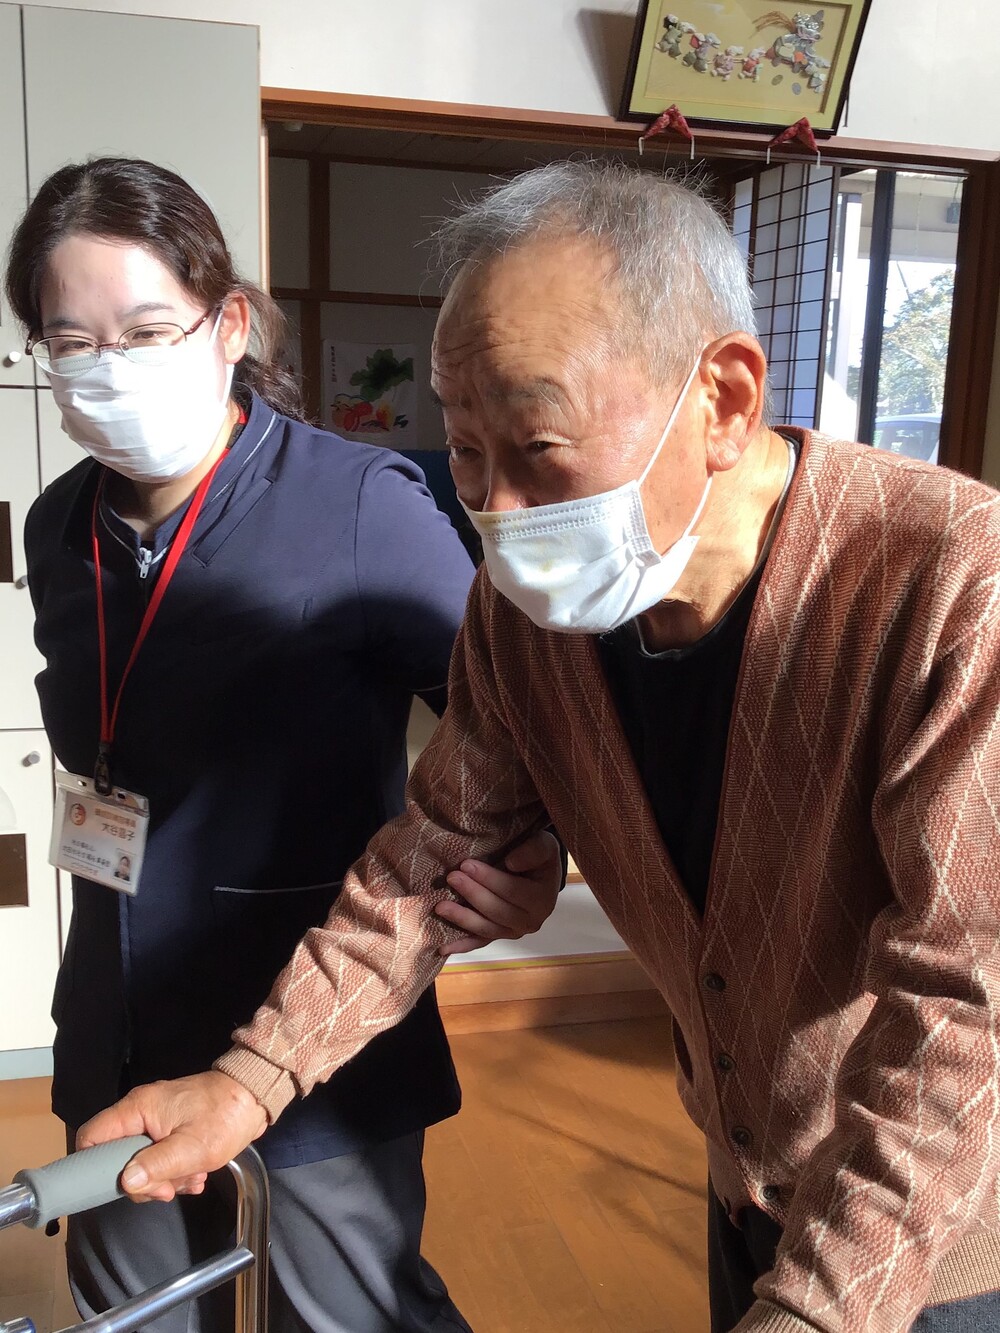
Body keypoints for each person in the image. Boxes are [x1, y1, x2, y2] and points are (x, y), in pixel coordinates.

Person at [78, 160, 1000, 1333]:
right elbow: (426, 865)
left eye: (539, 442)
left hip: (951, 1223)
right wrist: (245, 1083)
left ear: (720, 399)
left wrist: (819, 1313)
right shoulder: (528, 618)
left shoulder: (953, 584)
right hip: (749, 1179)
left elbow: (962, 1013)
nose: (498, 512)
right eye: (466, 450)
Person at [5, 156, 565, 1333]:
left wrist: (531, 853)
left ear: (228, 325)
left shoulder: (356, 501)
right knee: (131, 1309)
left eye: (146, 328)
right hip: (118, 1001)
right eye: (72, 342)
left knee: (342, 1309)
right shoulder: (60, 525)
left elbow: (522, 713)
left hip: (313, 1006)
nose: (108, 369)